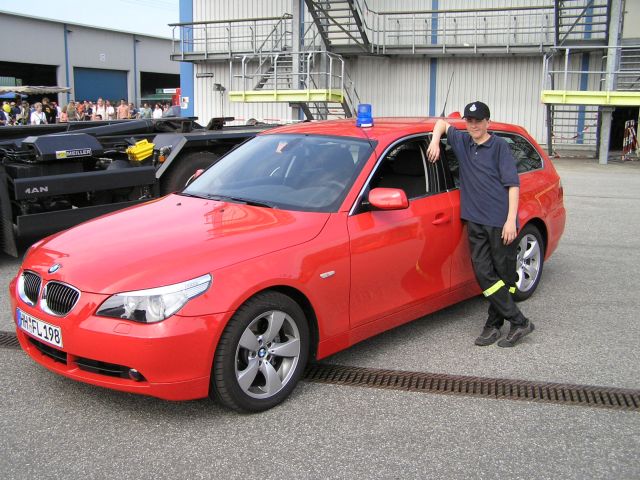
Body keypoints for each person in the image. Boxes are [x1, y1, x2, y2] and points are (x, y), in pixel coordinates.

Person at [426, 101, 534, 348]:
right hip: (475, 220)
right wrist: (434, 141)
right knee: (484, 273)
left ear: (487, 122)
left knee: (504, 275)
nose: (473, 125)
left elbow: (513, 185)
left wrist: (510, 221)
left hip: (500, 222)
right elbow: (441, 123)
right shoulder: (463, 142)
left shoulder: (499, 147)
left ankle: (494, 324)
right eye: (470, 121)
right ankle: (518, 321)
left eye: (478, 121)